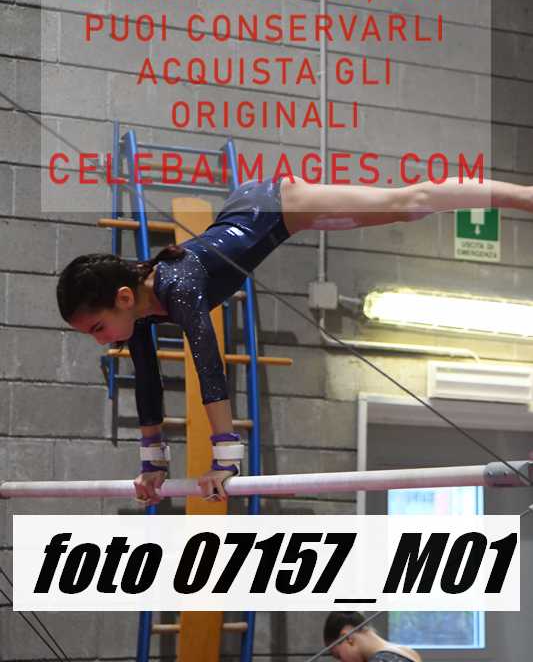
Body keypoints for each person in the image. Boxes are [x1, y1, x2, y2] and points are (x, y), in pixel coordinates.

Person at [56, 174, 533, 504]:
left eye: (98, 328)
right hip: (244, 211)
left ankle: (525, 195)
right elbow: (147, 385)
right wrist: (152, 464)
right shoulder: (139, 313)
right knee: (403, 207)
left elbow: (208, 366)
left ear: (123, 298)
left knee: (406, 205)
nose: (100, 341)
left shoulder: (178, 288)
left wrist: (226, 458)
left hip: (276, 204)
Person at [323, 612, 422, 662]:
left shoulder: (381, 660)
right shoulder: (408, 652)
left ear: (348, 638)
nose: (342, 661)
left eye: (339, 656)